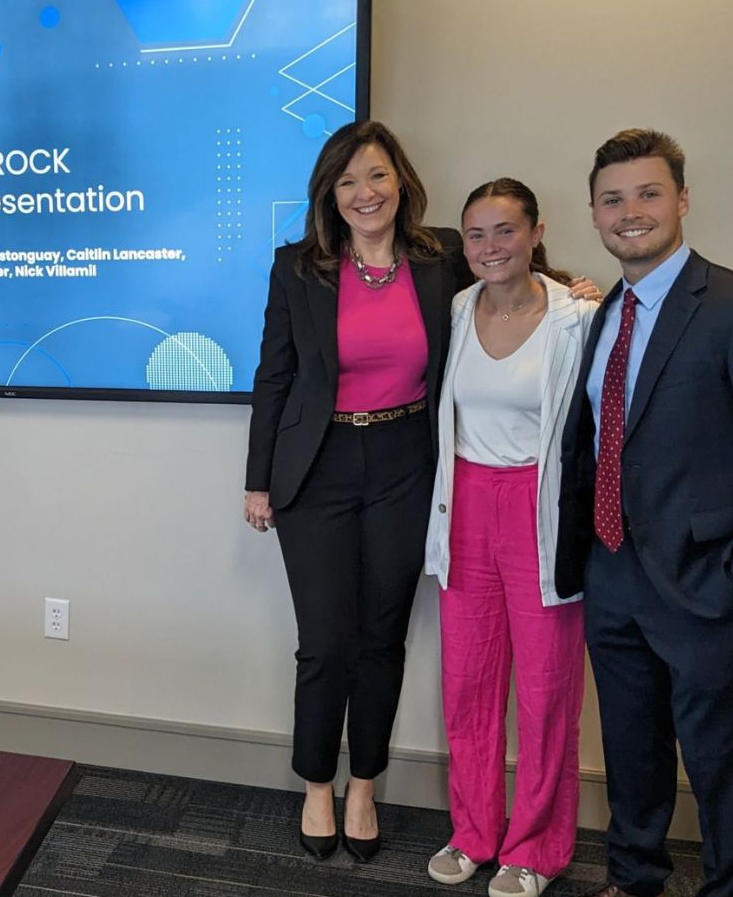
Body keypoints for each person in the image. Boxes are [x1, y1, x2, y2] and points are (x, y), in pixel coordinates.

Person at [556, 129, 733, 897]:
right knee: (632, 752)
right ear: (595, 212)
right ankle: (634, 879)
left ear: (682, 200)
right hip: (613, 575)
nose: (629, 211)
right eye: (612, 199)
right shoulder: (606, 311)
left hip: (711, 585)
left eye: (647, 193)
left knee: (720, 764)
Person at [244, 120, 475, 863]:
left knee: (382, 636)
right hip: (317, 465)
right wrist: (258, 481)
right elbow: (274, 377)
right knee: (326, 641)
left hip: (410, 459)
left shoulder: (442, 258)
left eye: (375, 176)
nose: (364, 193)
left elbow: (516, 280)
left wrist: (570, 287)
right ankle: (317, 783)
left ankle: (365, 785)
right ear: (329, 195)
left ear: (399, 180)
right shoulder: (297, 268)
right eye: (346, 182)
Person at [423, 179, 599, 897]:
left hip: (541, 510)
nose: (490, 248)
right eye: (476, 235)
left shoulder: (578, 315)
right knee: (467, 684)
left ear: (535, 232)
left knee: (547, 690)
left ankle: (536, 848)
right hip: (465, 505)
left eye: (505, 231)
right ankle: (474, 834)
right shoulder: (459, 308)